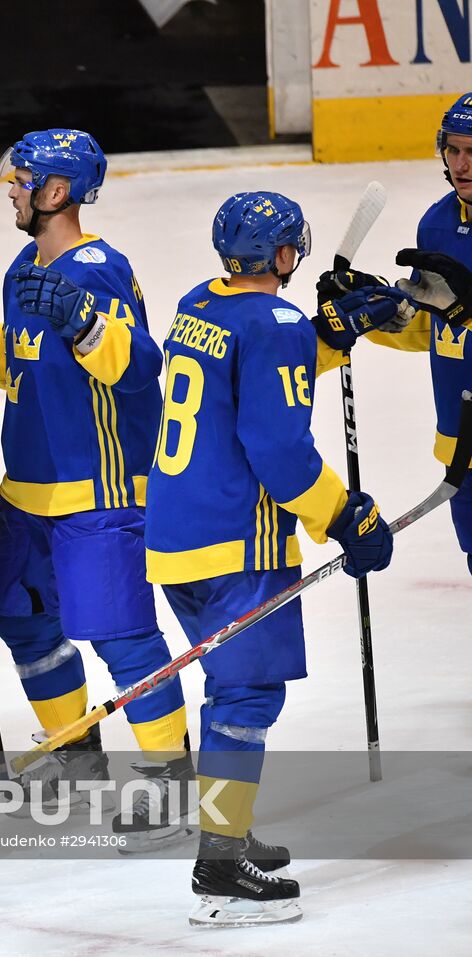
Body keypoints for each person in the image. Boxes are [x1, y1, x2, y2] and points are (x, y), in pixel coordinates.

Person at [145, 192, 394, 926]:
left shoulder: (199, 302)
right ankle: (221, 869)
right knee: (247, 695)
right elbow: (280, 449)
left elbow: (250, 372)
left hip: (176, 535)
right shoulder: (276, 322)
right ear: (284, 254)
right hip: (237, 542)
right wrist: (344, 514)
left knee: (229, 688)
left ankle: (229, 825)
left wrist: (327, 337)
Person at [0, 129, 190, 846]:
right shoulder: (23, 265)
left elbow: (140, 368)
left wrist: (84, 321)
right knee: (22, 620)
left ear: (56, 191)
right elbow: (24, 364)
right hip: (28, 486)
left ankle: (170, 779)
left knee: (122, 635)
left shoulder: (98, 268)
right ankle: (74, 752)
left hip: (98, 490)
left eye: (21, 180)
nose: (10, 190)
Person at [329, 91, 472, 575]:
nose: (461, 165)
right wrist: (369, 312)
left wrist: (466, 311)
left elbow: (459, 314)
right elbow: (433, 328)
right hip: (461, 438)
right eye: (452, 150)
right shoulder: (437, 224)